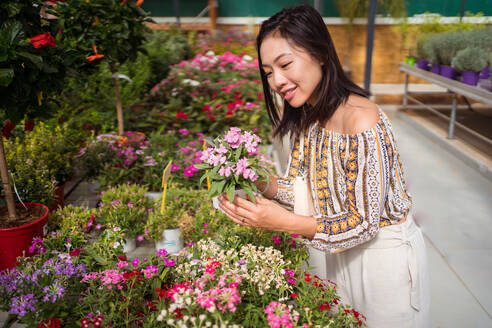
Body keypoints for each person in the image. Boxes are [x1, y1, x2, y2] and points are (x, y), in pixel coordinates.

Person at [218, 4, 430, 328]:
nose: (277, 80)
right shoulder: (310, 119)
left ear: (319, 53)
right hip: (339, 253)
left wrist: (282, 222)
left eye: (285, 64)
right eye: (268, 72)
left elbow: (362, 224)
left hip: (383, 265)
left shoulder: (360, 119)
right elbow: (304, 190)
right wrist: (255, 179)